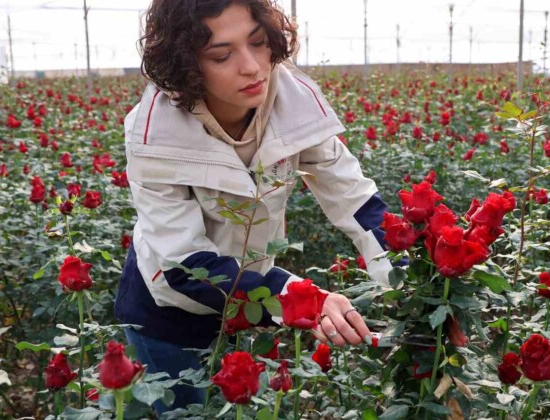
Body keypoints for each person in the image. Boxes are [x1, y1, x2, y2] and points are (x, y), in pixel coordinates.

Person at [113, 0, 395, 414]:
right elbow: (183, 265)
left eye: (259, 43)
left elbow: (356, 200)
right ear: (186, 65)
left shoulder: (290, 104)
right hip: (169, 313)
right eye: (222, 55)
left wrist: (411, 282)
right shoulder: (154, 134)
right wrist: (298, 298)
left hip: (253, 295)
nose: (253, 67)